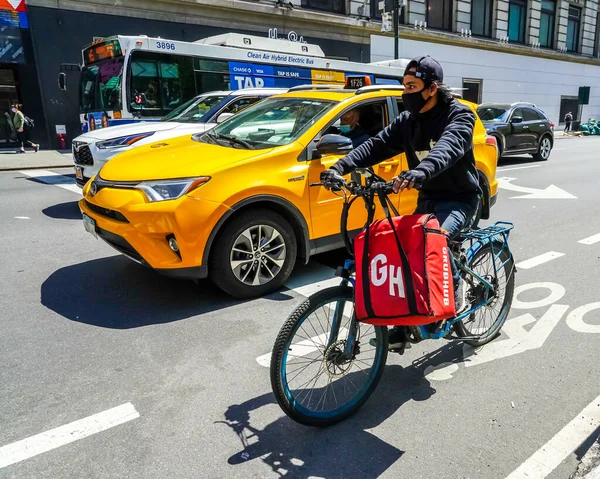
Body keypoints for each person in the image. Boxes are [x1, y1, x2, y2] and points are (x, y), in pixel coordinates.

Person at [320, 56, 482, 350]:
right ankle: (406, 315)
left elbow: (449, 147)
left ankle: (450, 302)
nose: (405, 93)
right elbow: (375, 145)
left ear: (432, 88)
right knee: (403, 248)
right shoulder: (408, 121)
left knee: (438, 241)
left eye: (412, 86)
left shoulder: (458, 115)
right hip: (429, 198)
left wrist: (420, 171)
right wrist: (338, 168)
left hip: (460, 199)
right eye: (404, 85)